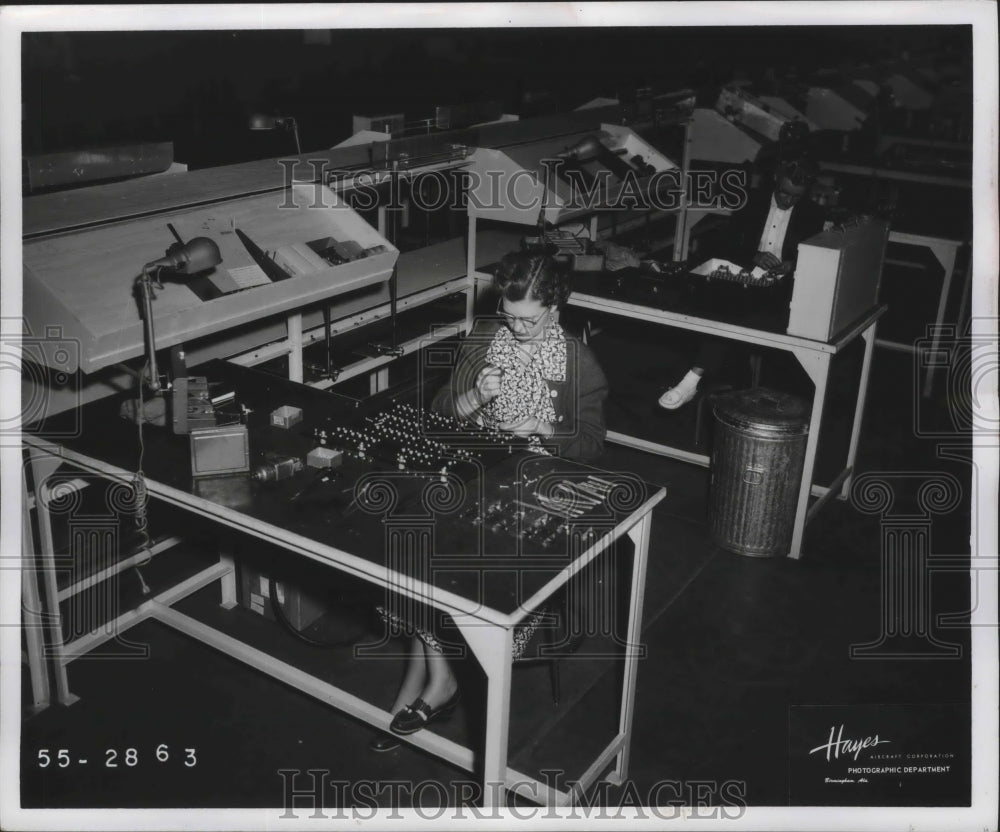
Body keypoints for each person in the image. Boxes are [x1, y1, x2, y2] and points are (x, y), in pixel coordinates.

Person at [370, 251, 608, 751]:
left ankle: (429, 688)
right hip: (475, 473)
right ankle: (435, 683)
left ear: (557, 308)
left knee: (453, 571)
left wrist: (545, 426)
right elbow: (440, 413)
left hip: (541, 491)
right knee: (408, 551)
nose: (516, 328)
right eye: (509, 315)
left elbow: (591, 447)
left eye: (529, 319)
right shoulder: (484, 338)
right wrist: (474, 398)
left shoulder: (578, 363)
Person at [658, 156, 826, 410]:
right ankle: (703, 377)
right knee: (727, 307)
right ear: (775, 180)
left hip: (781, 291)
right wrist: (753, 255)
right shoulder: (752, 201)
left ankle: (693, 378)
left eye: (795, 197)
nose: (787, 201)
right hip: (743, 280)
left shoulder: (813, 214)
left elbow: (812, 254)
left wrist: (792, 263)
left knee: (728, 311)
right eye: (783, 193)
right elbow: (726, 243)